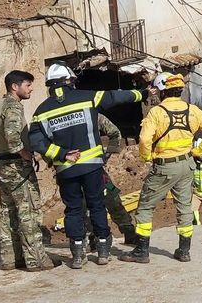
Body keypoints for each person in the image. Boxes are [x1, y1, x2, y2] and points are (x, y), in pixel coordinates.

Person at [29, 62, 145, 269]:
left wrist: (62, 154)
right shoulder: (86, 97)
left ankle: (77, 254)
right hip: (92, 167)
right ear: (68, 81)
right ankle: (102, 250)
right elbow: (115, 97)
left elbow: (36, 142)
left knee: (73, 210)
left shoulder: (41, 111)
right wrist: (141, 93)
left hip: (66, 169)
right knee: (97, 205)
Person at [120, 72, 202, 264]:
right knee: (184, 207)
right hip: (187, 165)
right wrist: (199, 151)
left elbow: (145, 139)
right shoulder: (192, 110)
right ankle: (184, 250)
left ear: (163, 91)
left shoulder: (156, 112)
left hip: (165, 167)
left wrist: (147, 156)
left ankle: (141, 250)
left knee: (145, 206)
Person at [0, 70, 54, 272]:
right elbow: (13, 136)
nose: (31, 89)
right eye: (28, 85)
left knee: (7, 213)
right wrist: (24, 153)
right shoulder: (13, 107)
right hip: (17, 168)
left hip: (2, 166)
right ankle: (35, 260)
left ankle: (10, 259)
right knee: (28, 212)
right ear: (15, 86)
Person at [84, 114, 138, 250]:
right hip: (75, 172)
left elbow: (115, 133)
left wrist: (107, 154)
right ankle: (92, 236)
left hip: (97, 170)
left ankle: (128, 230)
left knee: (112, 195)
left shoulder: (93, 115)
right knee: (84, 204)